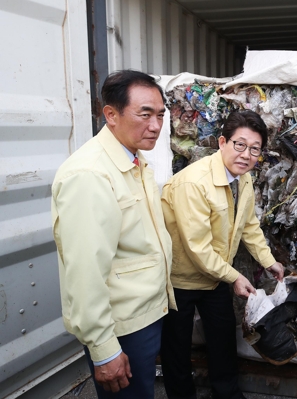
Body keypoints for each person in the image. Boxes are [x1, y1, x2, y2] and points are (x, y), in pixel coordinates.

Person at [51, 70, 176, 399]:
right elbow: (84, 270)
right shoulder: (90, 174)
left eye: (161, 115)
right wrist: (104, 348)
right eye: (144, 114)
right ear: (111, 114)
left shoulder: (133, 160)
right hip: (121, 327)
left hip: (142, 316)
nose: (155, 126)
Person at [160, 110, 285, 399]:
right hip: (179, 279)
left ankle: (226, 394)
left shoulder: (244, 179)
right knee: (176, 349)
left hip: (215, 277)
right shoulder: (194, 183)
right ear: (222, 142)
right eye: (239, 144)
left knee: (223, 339)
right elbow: (198, 247)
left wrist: (268, 261)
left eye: (255, 149)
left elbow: (248, 225)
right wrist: (234, 277)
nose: (246, 154)